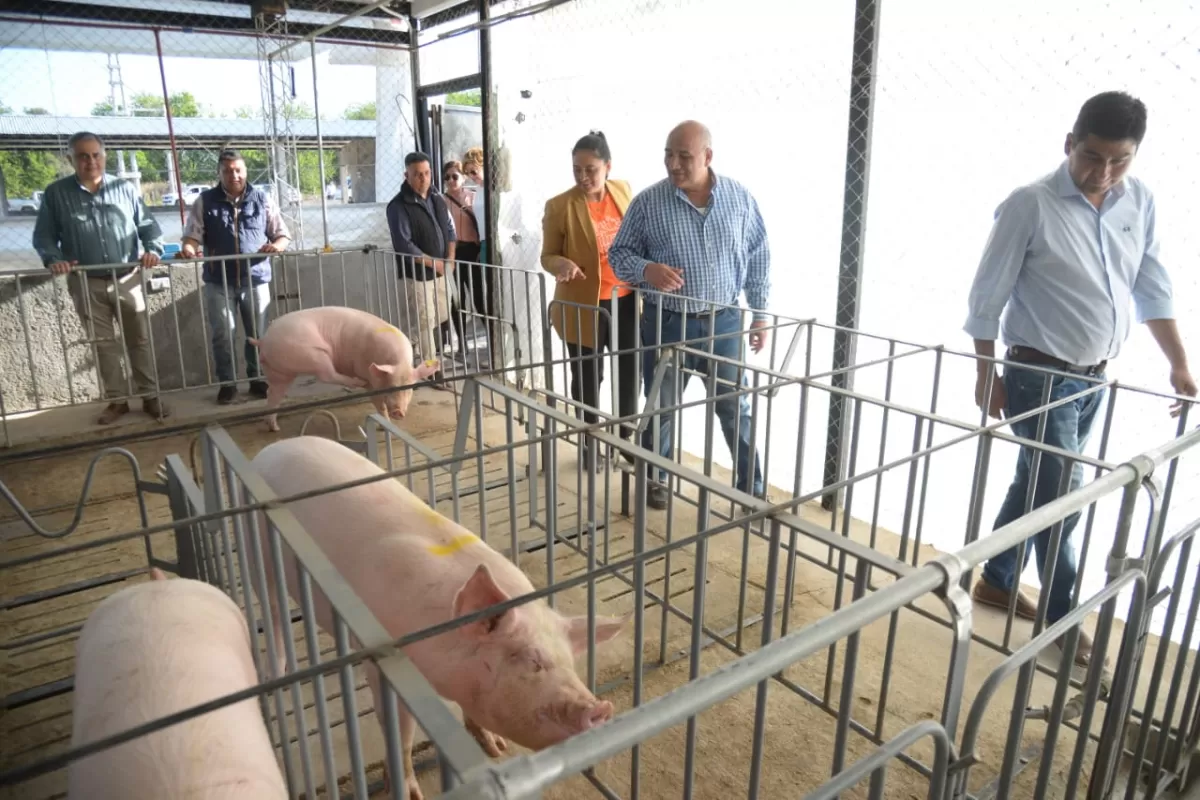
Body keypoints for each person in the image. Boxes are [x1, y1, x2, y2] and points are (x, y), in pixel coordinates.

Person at [964, 90, 1197, 668]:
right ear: (1069, 144)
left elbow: (1152, 283)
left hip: (1094, 377)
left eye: (1120, 160)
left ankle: (996, 577)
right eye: (1093, 157)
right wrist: (985, 372)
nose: (1105, 172)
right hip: (1036, 374)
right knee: (1062, 498)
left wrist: (1178, 363)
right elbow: (986, 295)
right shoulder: (1030, 204)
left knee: (1038, 483)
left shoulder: (1136, 201)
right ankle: (1062, 614)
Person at [609, 120, 771, 510]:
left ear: (708, 157)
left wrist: (761, 314)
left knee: (735, 407)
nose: (673, 164)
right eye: (668, 154)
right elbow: (619, 255)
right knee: (661, 406)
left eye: (684, 156)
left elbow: (758, 255)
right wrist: (647, 270)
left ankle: (753, 488)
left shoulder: (740, 199)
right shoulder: (648, 203)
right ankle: (657, 478)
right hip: (668, 323)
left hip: (725, 321)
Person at [32, 130, 168, 425]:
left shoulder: (125, 189)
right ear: (71, 159)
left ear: (103, 157)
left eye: (95, 155)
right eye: (83, 156)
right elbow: (43, 237)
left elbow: (148, 226)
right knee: (102, 344)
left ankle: (150, 397)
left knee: (139, 340)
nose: (90, 161)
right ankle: (116, 401)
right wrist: (53, 259)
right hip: (86, 282)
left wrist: (153, 250)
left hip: (128, 277)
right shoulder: (57, 194)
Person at [540, 131, 639, 471]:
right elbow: (547, 255)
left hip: (625, 300)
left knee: (630, 370)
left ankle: (626, 439)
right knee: (587, 375)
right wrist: (560, 264)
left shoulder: (623, 191)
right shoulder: (560, 206)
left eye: (591, 169)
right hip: (584, 303)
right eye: (577, 169)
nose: (583, 177)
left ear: (608, 167)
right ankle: (590, 442)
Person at [180, 148, 291, 405]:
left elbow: (281, 234)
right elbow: (191, 236)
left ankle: (257, 380)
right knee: (223, 334)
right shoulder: (205, 201)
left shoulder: (262, 199)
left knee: (258, 334)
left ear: (245, 171)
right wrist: (188, 249)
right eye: (228, 171)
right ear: (219, 173)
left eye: (238, 170)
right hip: (219, 281)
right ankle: (227, 384)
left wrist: (278, 246)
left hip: (255, 278)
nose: (234, 175)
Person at [386, 151, 456, 385]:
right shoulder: (398, 206)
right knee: (425, 320)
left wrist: (451, 258)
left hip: (440, 271)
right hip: (417, 275)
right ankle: (431, 370)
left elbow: (449, 229)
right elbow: (404, 244)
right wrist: (433, 262)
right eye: (417, 175)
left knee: (439, 316)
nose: (423, 178)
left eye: (426, 173)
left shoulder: (437, 199)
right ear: (407, 175)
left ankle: (415, 355)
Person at [442, 160, 484, 361]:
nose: (451, 180)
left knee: (478, 299)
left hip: (472, 252)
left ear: (463, 177)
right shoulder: (441, 201)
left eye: (455, 176)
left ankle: (492, 344)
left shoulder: (473, 197)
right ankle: (462, 345)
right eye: (447, 177)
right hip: (452, 254)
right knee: (456, 300)